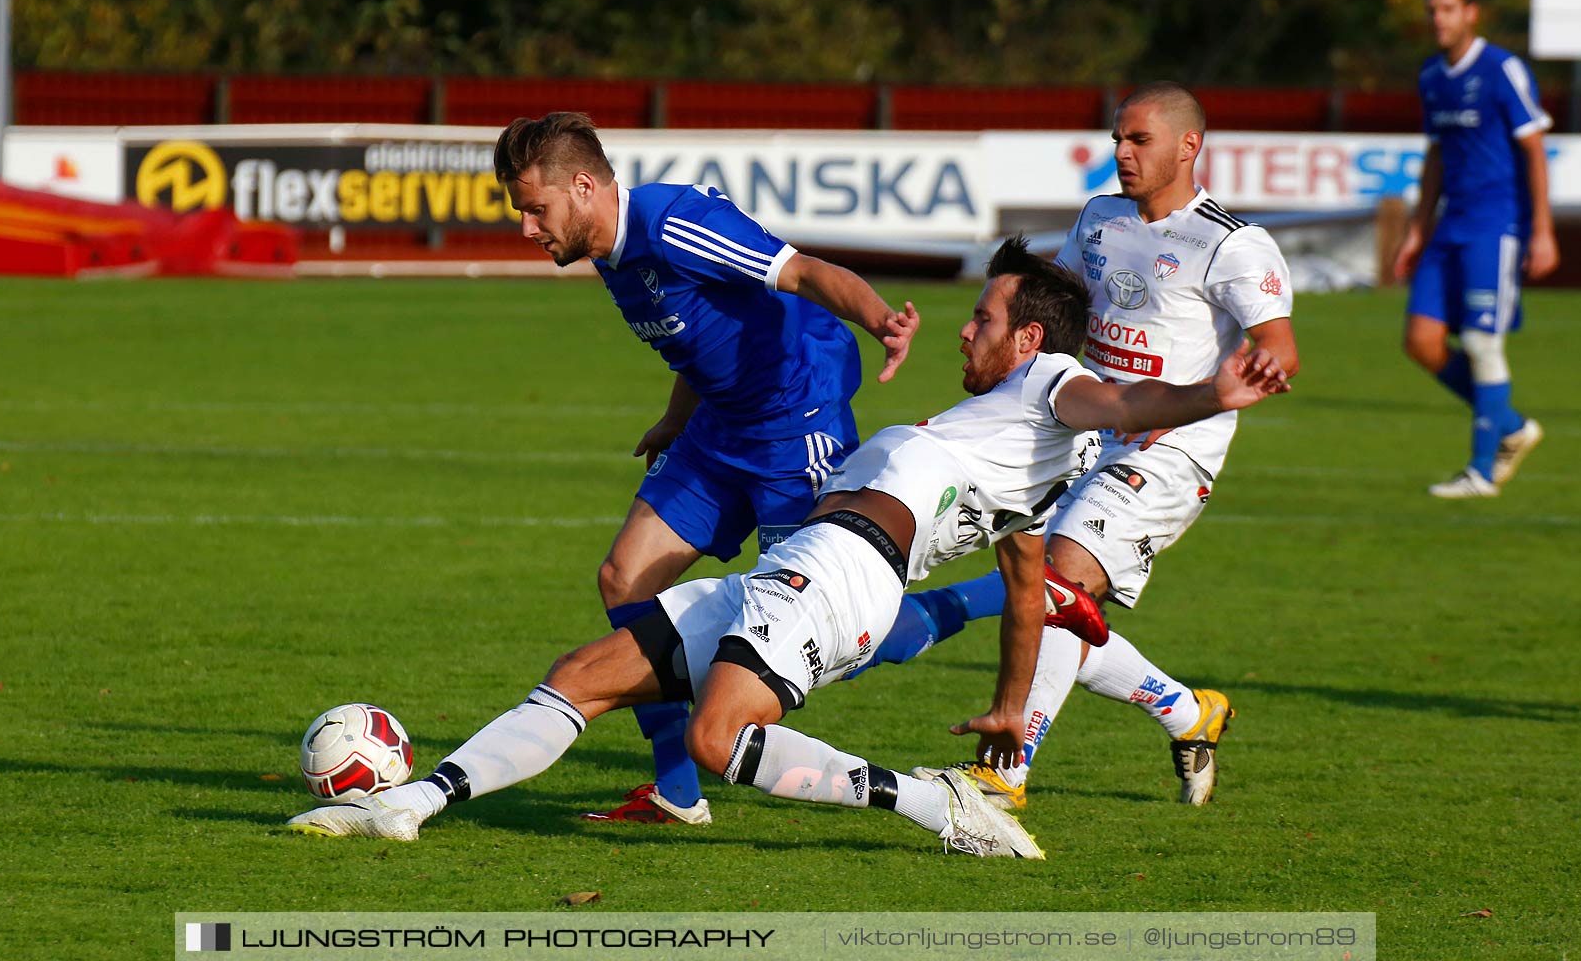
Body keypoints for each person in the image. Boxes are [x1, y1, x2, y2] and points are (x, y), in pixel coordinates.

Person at [286, 238, 1292, 854]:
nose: (965, 332)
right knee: (585, 672)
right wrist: (1009, 710)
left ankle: (930, 805)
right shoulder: (1014, 448)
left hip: (840, 570)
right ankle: (407, 805)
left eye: (983, 318)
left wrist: (1211, 393)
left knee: (719, 740)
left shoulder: (1053, 386)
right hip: (804, 564)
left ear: (1030, 340)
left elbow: (1122, 400)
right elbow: (1025, 590)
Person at [866, 82, 1299, 810]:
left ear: (1189, 145)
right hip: (1080, 429)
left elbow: (1280, 348)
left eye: (1139, 141)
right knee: (1064, 601)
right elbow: (1061, 311)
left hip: (1168, 451)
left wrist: (1252, 372)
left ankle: (1001, 770)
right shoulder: (1100, 219)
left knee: (1057, 580)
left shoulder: (1230, 242)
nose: (1123, 154)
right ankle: (1190, 714)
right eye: (1117, 140)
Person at [490, 111, 919, 825]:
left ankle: (994, 598)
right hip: (718, 429)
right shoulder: (607, 252)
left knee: (808, 624)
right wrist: (673, 419)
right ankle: (677, 788)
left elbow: (801, 270)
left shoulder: (673, 221)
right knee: (623, 578)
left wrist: (881, 321)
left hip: (795, 423)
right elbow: (704, 338)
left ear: (584, 186)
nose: (527, 228)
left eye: (535, 209)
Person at [1392, 0, 1555, 498]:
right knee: (1421, 342)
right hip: (1449, 227)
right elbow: (1436, 154)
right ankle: (1509, 423)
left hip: (1496, 225)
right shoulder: (1432, 77)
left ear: (1471, 13)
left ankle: (1483, 470)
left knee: (1484, 341)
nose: (1438, 18)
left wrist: (1542, 232)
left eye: (1447, 8)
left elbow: (1533, 149)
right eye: (1431, 9)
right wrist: (1418, 229)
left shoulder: (1502, 68)